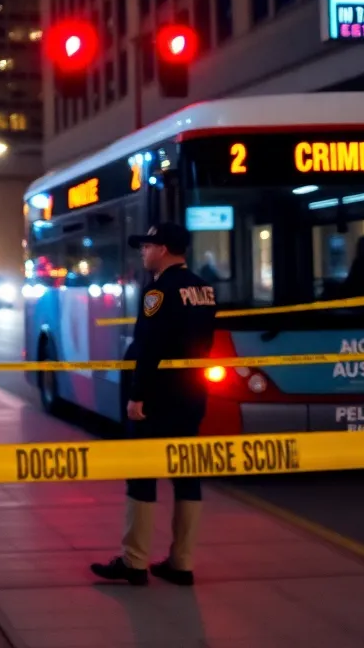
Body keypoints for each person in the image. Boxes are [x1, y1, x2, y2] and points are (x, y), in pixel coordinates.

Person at [91, 222, 217, 587]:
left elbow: (149, 348)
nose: (143, 252)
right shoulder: (204, 289)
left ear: (163, 249)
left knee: (142, 473)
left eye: (147, 246)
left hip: (157, 397)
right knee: (187, 473)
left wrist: (137, 395)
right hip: (192, 393)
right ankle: (182, 562)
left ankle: (134, 561)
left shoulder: (158, 291)